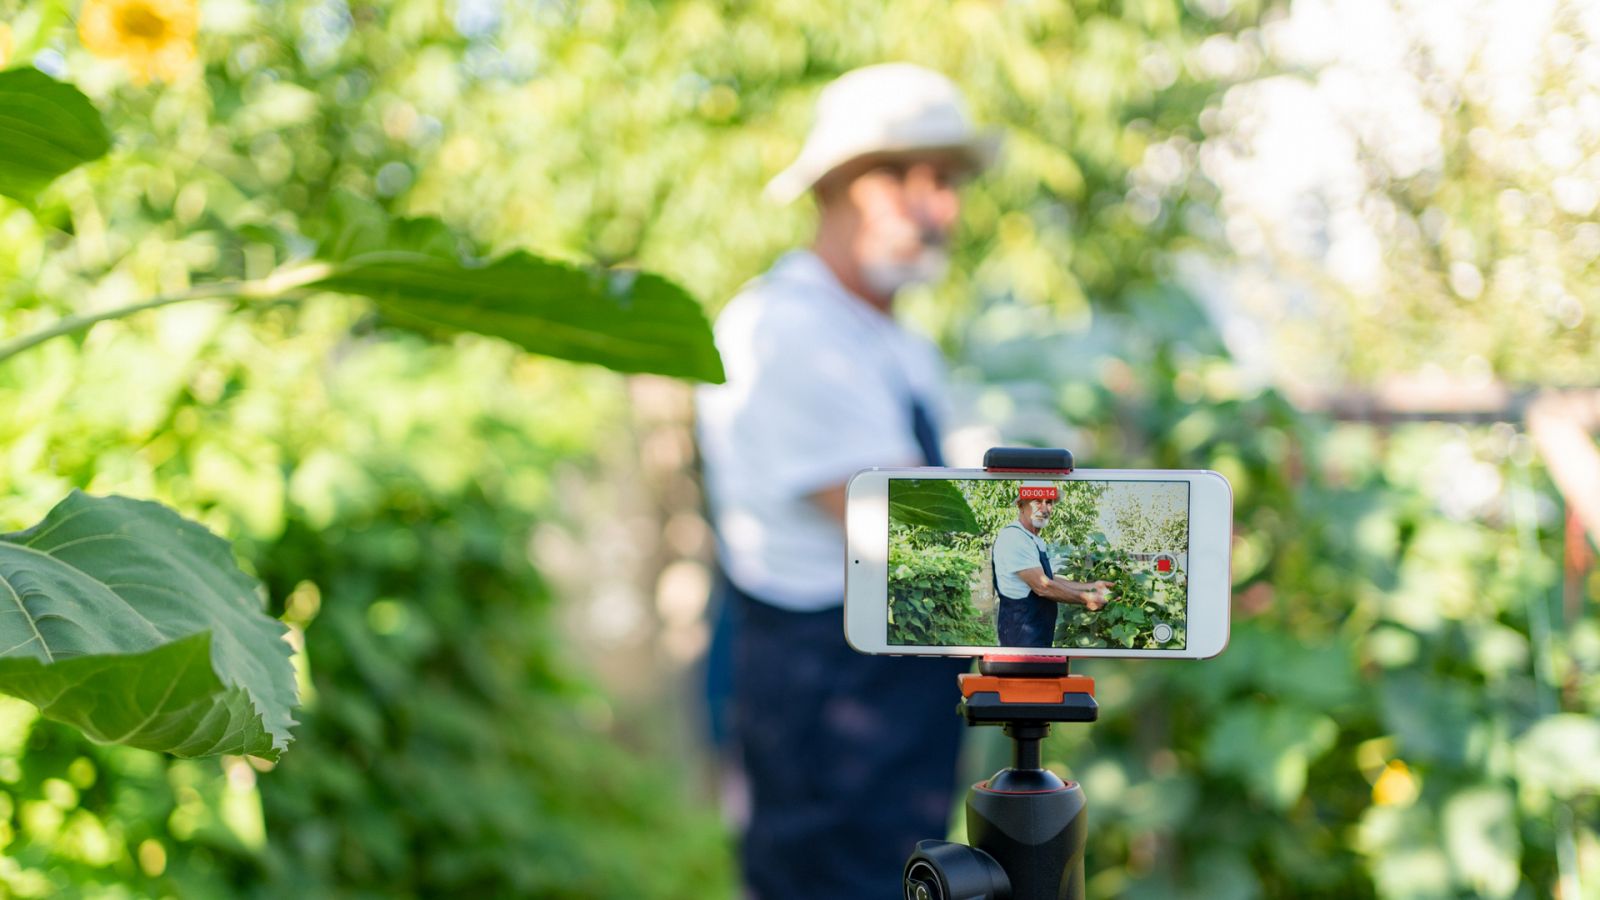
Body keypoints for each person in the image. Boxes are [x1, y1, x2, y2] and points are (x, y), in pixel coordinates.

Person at [695, 63, 999, 899]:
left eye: (948, 182)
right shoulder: (789, 330)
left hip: (895, 693)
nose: (942, 208)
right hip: (828, 702)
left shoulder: (893, 339)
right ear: (846, 187)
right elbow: (918, 535)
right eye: (914, 179)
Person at [991, 481, 1114, 647]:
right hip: (1019, 642)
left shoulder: (1034, 540)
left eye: (1048, 502)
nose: (1044, 508)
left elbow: (1048, 579)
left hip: (1036, 636)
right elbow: (1043, 586)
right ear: (1021, 506)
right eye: (1037, 501)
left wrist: (1092, 586)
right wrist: (1087, 598)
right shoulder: (1014, 537)